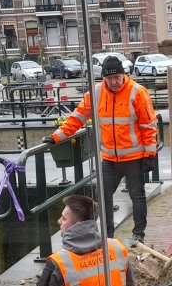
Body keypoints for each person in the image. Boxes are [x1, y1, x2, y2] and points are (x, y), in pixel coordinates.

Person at [45, 55, 157, 244]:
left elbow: (149, 125)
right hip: (109, 158)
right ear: (103, 78)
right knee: (103, 197)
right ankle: (107, 237)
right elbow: (77, 117)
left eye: (117, 78)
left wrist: (149, 154)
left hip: (133, 156)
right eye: (109, 79)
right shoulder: (96, 94)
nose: (114, 82)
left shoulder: (137, 92)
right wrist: (56, 137)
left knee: (137, 196)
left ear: (124, 75)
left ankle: (139, 235)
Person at [36, 194, 133, 286]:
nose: (59, 221)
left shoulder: (59, 263)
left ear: (77, 225)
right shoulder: (117, 248)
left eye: (63, 218)